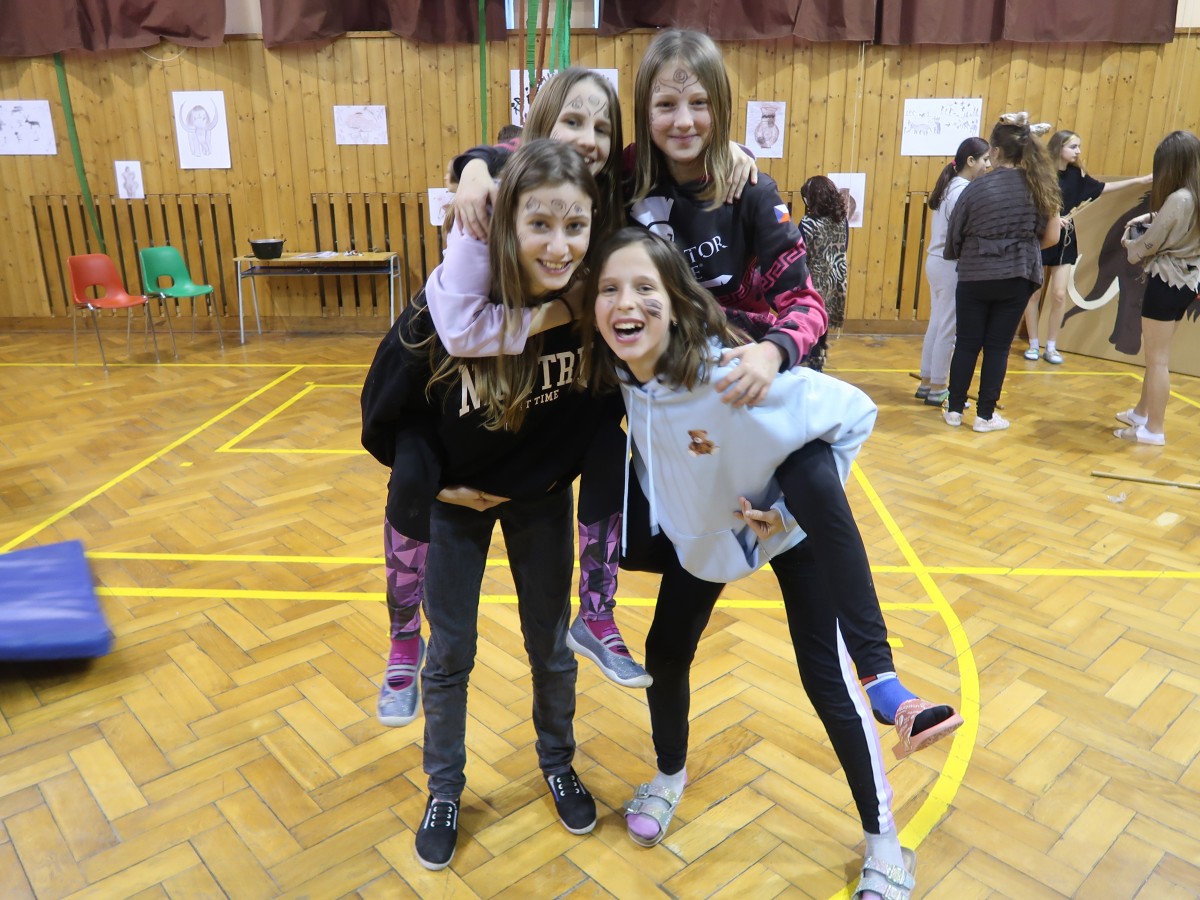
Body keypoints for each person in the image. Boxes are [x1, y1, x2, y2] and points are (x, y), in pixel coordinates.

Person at [629, 29, 959, 751]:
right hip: (686, 419)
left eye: (698, 103)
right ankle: (665, 757)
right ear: (644, 110)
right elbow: (547, 164)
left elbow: (807, 304)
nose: (683, 120)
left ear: (720, 105)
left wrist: (773, 351)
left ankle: (884, 682)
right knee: (671, 630)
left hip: (753, 389)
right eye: (666, 105)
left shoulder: (751, 189)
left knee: (812, 476)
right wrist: (476, 172)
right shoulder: (627, 181)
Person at [580, 227, 920, 900]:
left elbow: (855, 413)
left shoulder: (728, 374)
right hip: (707, 540)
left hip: (787, 532)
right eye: (610, 289)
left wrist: (788, 513)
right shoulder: (618, 374)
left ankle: (884, 842)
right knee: (665, 652)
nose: (627, 302)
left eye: (645, 287)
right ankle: (669, 776)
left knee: (826, 679)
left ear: (677, 300)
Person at [360, 140, 611, 869]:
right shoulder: (447, 309)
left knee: (551, 645)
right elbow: (387, 411)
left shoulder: (589, 308)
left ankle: (558, 762)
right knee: (450, 654)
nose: (557, 246)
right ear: (507, 225)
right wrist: (436, 486)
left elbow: (604, 410)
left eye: (574, 227)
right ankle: (444, 788)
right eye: (539, 226)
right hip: (455, 507)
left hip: (540, 501)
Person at [370, 69, 651, 720]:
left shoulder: (610, 201)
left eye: (601, 127)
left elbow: (664, 166)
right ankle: (404, 635)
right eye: (571, 121)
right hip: (453, 388)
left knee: (608, 442)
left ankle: (597, 610)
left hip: (533, 445)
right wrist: (473, 168)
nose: (587, 139)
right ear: (536, 132)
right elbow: (463, 330)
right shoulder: (486, 210)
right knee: (412, 471)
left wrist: (733, 156)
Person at [943, 112, 1063, 432]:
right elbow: (1052, 237)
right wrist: (1022, 245)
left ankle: (954, 410)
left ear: (995, 151)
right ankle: (985, 416)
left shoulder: (974, 188)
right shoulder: (1040, 186)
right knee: (997, 347)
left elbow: (955, 235)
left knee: (966, 343)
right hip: (1016, 274)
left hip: (974, 273)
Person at [1022, 130, 1153, 364]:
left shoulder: (1076, 175)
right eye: (1073, 147)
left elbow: (1101, 188)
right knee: (1033, 294)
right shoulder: (1042, 174)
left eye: (1078, 146)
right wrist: (1052, 219)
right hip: (1040, 237)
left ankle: (1051, 346)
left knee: (1059, 295)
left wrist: (1139, 181)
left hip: (1065, 239)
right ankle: (1033, 344)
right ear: (1059, 147)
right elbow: (1031, 205)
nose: (1078, 151)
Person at [1114, 130, 1200, 445]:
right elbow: (1172, 220)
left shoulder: (1180, 198)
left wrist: (1129, 243)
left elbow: (1146, 245)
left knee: (1157, 359)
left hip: (1167, 283)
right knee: (1157, 355)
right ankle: (1142, 412)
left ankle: (1154, 429)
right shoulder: (1193, 194)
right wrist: (1152, 216)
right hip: (1187, 282)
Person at [916, 137, 990, 406]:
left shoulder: (950, 186)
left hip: (936, 262)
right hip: (949, 265)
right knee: (948, 328)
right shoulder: (962, 191)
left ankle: (927, 382)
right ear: (970, 161)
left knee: (938, 323)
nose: (988, 165)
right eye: (985, 160)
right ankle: (938, 387)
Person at [798, 175, 849, 371]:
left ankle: (808, 361)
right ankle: (818, 362)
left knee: (810, 322)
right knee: (823, 323)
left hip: (814, 280)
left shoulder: (807, 222)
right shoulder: (842, 220)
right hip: (836, 278)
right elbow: (843, 247)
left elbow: (800, 255)